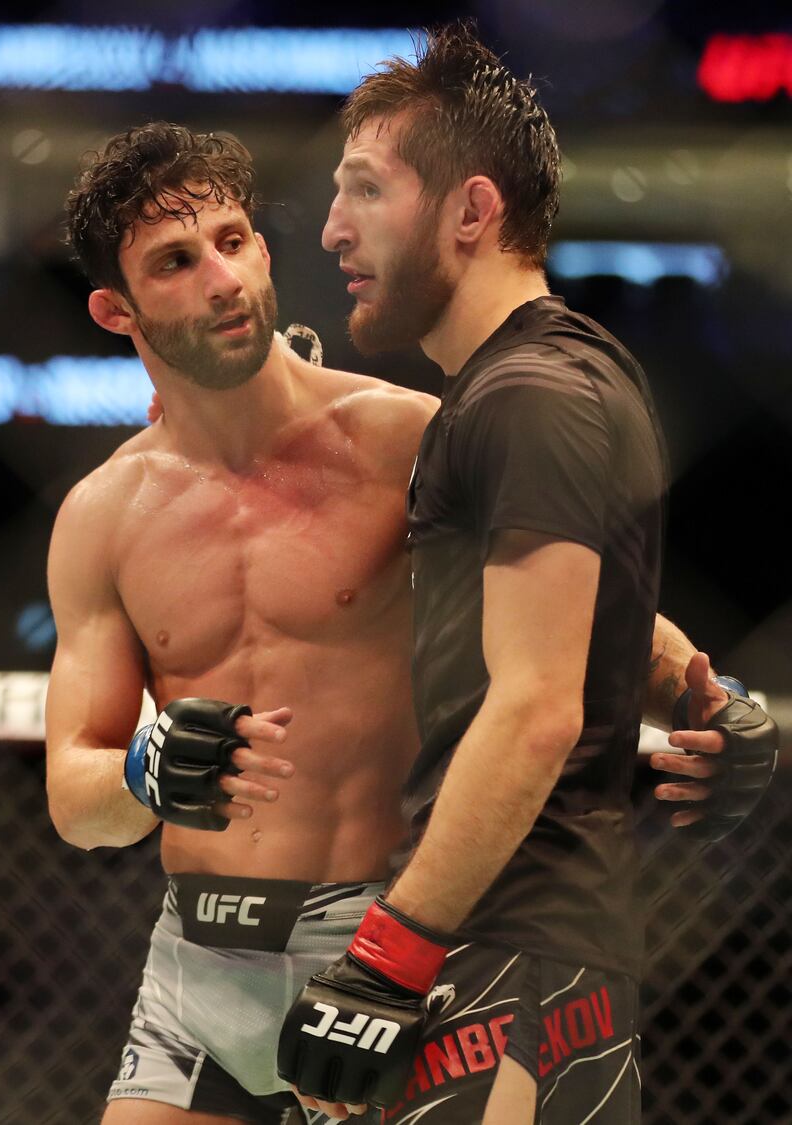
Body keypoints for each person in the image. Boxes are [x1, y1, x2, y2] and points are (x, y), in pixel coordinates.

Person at [49, 120, 772, 1125]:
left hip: (393, 941)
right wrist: (143, 771)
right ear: (113, 310)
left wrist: (713, 697)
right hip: (202, 958)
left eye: (230, 241)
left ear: (262, 250)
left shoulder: (405, 439)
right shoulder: (99, 518)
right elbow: (75, 799)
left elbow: (583, 615)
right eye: (174, 262)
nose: (219, 279)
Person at [277, 24, 778, 1124]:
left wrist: (385, 958)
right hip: (519, 938)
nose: (331, 227)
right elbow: (592, 621)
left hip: (506, 941)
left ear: (469, 209)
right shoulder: (538, 379)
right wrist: (712, 697)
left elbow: (540, 705)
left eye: (365, 188)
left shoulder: (530, 398)